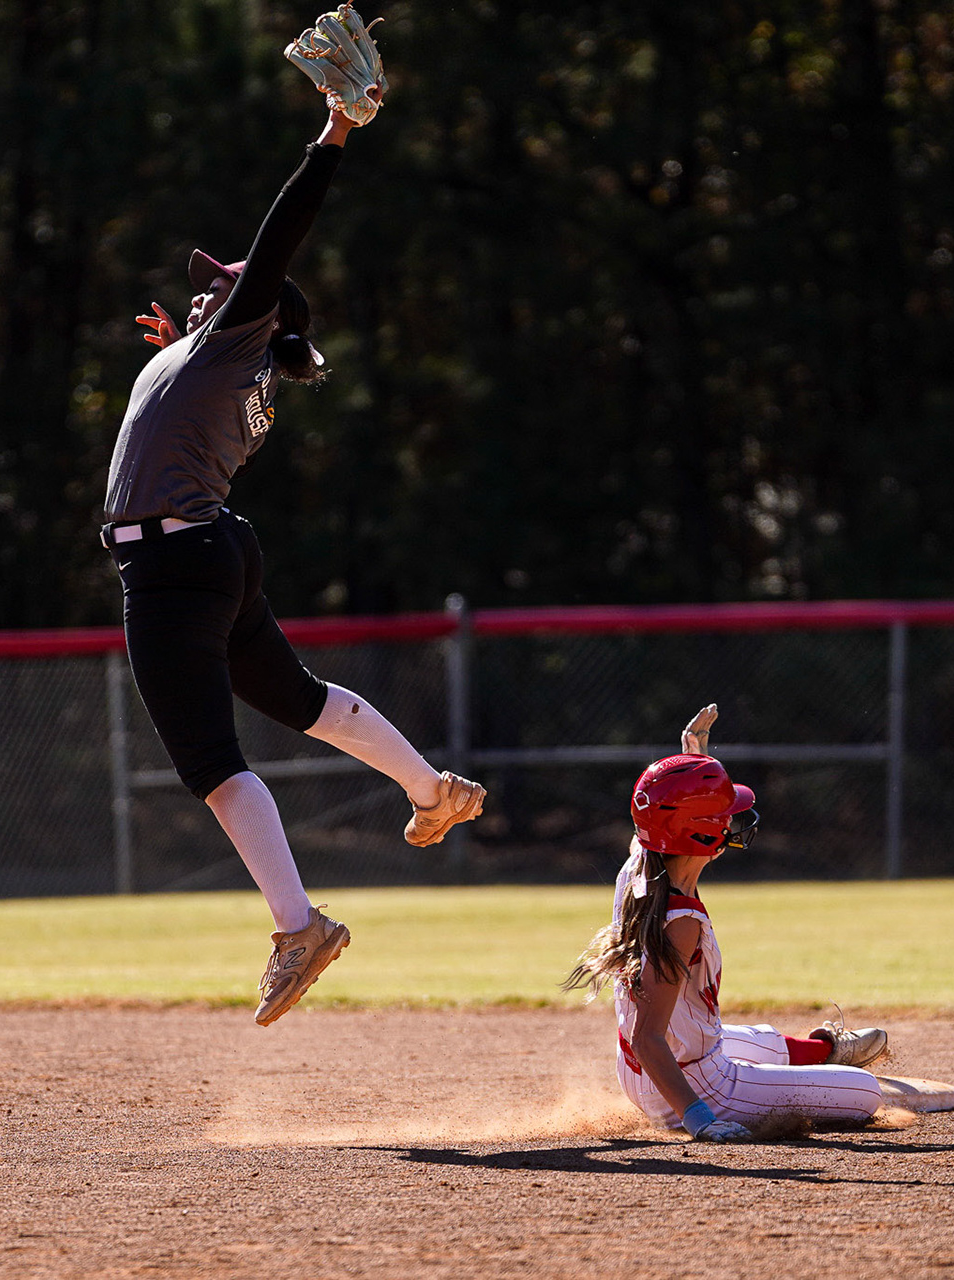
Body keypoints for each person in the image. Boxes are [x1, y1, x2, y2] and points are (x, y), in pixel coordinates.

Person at [101, 13, 483, 1028]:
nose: (206, 296)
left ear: (259, 313)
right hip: (214, 550)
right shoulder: (223, 361)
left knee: (210, 761)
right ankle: (432, 789)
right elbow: (191, 393)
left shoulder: (237, 341)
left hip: (175, 565)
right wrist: (177, 352)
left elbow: (282, 235)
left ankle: (298, 925)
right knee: (302, 699)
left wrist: (335, 132)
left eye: (221, 291)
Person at [564, 706, 890, 1142]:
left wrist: (692, 760)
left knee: (751, 1038)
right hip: (693, 1087)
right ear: (700, 833)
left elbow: (663, 817)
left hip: (640, 1071)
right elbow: (647, 1038)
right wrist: (699, 1117)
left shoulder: (640, 866)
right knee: (865, 1092)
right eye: (723, 814)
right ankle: (823, 1070)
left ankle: (825, 1050)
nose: (732, 820)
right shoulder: (681, 924)